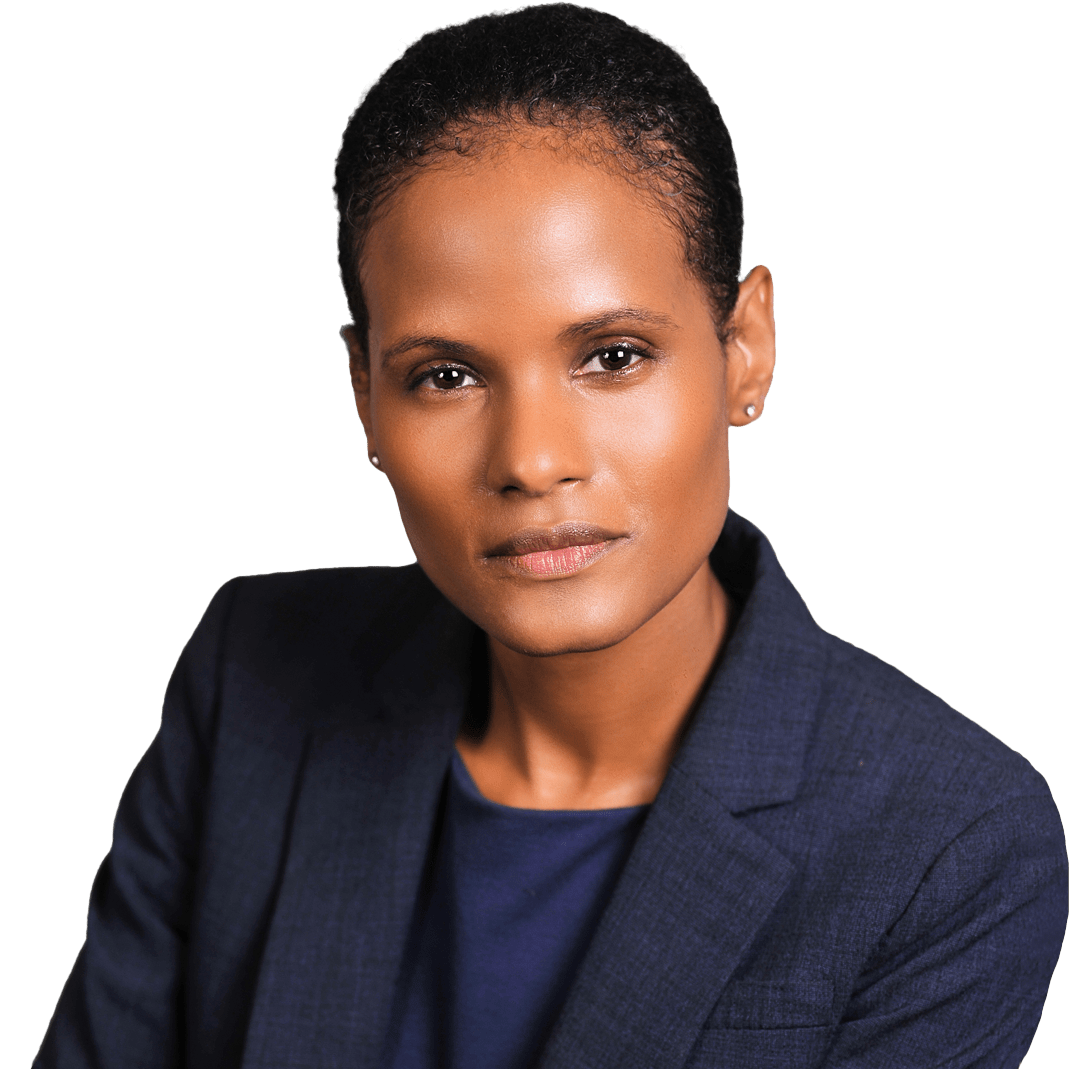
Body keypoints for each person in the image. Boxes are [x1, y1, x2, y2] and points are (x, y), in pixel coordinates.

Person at [36, 5, 1067, 1067]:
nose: (531, 459)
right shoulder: (250, 676)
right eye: (445, 376)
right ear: (363, 395)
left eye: (613, 356)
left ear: (745, 349)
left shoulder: (947, 841)